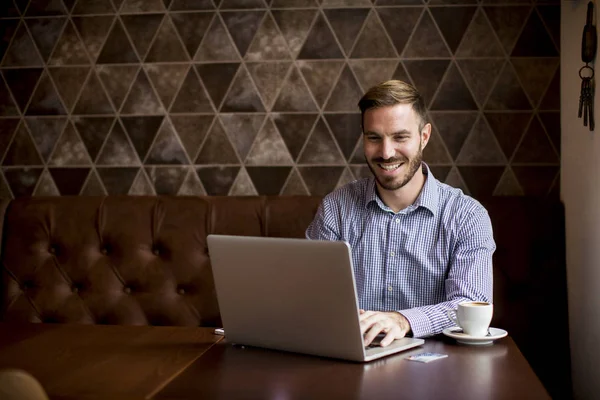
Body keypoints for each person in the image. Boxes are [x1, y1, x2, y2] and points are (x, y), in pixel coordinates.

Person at [305, 80, 495, 347]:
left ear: (424, 136)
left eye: (400, 137)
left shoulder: (467, 216)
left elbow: (468, 305)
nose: (386, 152)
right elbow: (311, 295)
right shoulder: (335, 209)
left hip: (437, 368)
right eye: (374, 138)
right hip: (349, 361)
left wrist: (402, 321)